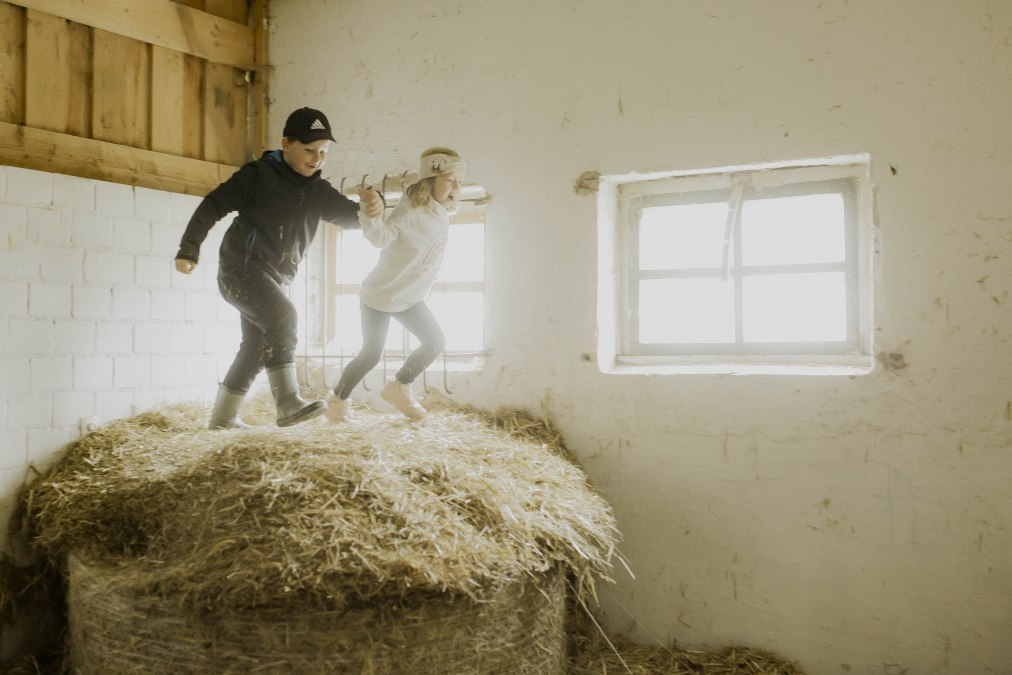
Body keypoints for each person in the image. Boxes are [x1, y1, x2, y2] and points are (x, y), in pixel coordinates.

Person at [174, 107, 383, 429]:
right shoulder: (258, 175)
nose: (317, 159)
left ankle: (222, 420)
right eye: (309, 150)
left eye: (324, 153)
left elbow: (354, 218)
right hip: (240, 271)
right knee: (284, 316)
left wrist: (374, 206)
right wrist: (189, 249)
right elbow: (213, 205)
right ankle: (287, 403)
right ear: (286, 144)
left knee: (257, 347)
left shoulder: (318, 192)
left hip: (275, 278)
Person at [326, 147, 465, 422]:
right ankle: (337, 401)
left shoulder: (440, 213)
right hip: (380, 296)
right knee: (371, 355)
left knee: (434, 341)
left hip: (409, 298)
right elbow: (380, 237)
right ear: (429, 180)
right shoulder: (411, 209)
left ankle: (398, 387)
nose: (456, 188)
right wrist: (370, 211)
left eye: (459, 182)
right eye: (450, 180)